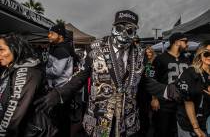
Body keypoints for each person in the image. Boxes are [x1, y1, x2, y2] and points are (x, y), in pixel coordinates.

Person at [34, 10, 168, 137]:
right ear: (113, 27)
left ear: (134, 33)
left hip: (128, 121)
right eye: (119, 28)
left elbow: (144, 81)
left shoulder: (140, 53)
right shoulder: (94, 48)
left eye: (129, 30)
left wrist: (168, 90)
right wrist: (59, 93)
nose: (123, 34)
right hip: (98, 118)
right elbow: (80, 77)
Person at [0, 33, 43, 137]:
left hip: (28, 131)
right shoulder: (10, 67)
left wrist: (2, 132)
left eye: (1, 50)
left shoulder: (25, 71)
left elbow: (14, 110)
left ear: (15, 48)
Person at [43, 23, 82, 137]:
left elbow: (56, 72)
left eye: (52, 33)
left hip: (61, 91)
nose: (48, 36)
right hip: (60, 90)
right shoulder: (59, 47)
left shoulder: (61, 49)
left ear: (60, 36)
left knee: (61, 120)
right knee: (61, 119)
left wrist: (44, 69)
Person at [152, 32, 190, 137]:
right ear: (177, 42)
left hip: (182, 103)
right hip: (165, 103)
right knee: (163, 131)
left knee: (180, 131)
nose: (188, 44)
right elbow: (152, 78)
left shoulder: (187, 59)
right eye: (185, 41)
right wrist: (154, 98)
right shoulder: (159, 58)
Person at [176, 41, 210, 137]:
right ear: (200, 54)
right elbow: (188, 102)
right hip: (190, 125)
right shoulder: (190, 73)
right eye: (207, 53)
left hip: (207, 123)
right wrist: (196, 128)